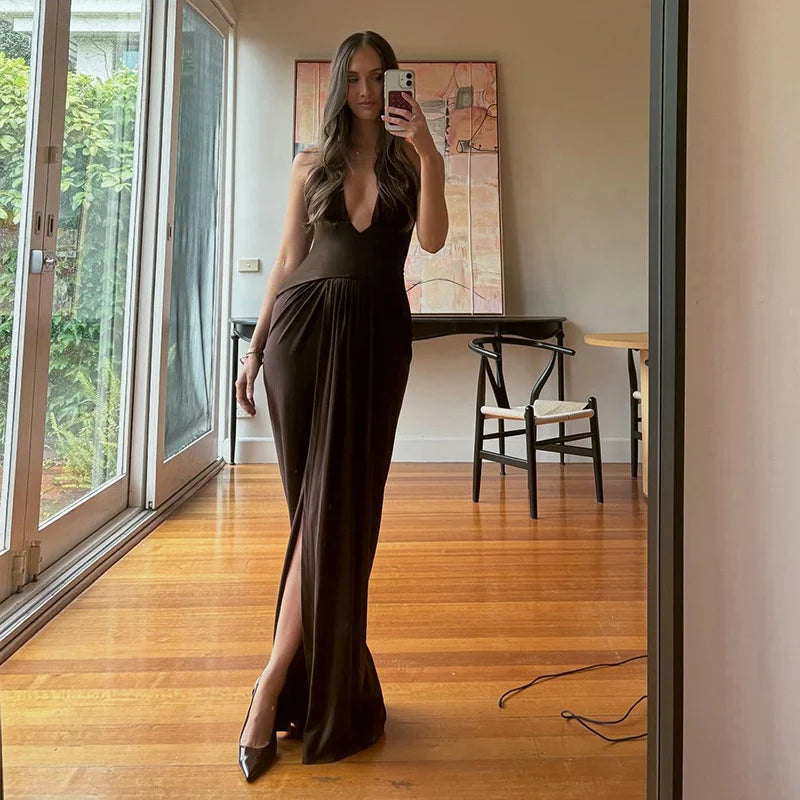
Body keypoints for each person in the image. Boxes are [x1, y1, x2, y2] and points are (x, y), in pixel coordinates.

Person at [234, 31, 448, 782]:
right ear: (337, 84)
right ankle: (278, 690)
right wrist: (256, 348)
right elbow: (290, 257)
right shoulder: (308, 162)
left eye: (375, 76)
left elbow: (433, 239)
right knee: (317, 517)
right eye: (353, 77)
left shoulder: (407, 161)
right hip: (301, 336)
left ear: (392, 81)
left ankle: (283, 689)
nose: (364, 89)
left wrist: (429, 153)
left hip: (377, 343)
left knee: (341, 518)